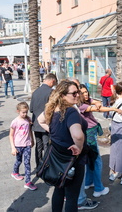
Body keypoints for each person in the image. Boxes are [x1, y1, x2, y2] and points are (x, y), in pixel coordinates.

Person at [37, 80, 94, 211]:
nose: (77, 95)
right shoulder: (71, 112)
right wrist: (79, 148)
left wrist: (55, 132)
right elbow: (78, 135)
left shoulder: (53, 108)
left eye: (78, 92)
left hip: (58, 157)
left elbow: (40, 120)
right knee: (71, 197)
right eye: (73, 93)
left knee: (59, 190)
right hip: (73, 160)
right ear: (62, 95)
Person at [78, 84, 122, 198]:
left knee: (89, 160)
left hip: (88, 133)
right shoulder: (81, 105)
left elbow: (95, 102)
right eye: (82, 93)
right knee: (97, 161)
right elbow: (98, 109)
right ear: (78, 95)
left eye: (86, 92)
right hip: (89, 135)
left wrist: (96, 102)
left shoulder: (85, 101)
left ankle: (88, 182)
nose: (86, 94)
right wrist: (114, 109)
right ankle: (98, 189)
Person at [30, 73, 57, 166]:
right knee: (47, 144)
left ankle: (38, 165)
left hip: (36, 124)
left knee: (38, 145)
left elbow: (31, 109)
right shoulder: (51, 92)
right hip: (46, 123)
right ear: (52, 81)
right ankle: (46, 165)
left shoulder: (35, 91)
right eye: (54, 84)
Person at [9, 102, 37, 190]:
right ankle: (14, 172)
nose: (25, 114)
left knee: (27, 163)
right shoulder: (15, 122)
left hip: (27, 144)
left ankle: (28, 182)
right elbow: (11, 135)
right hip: (18, 145)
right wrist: (13, 148)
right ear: (18, 111)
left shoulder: (28, 120)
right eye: (23, 112)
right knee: (18, 161)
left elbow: (29, 130)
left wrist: (32, 139)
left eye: (26, 112)